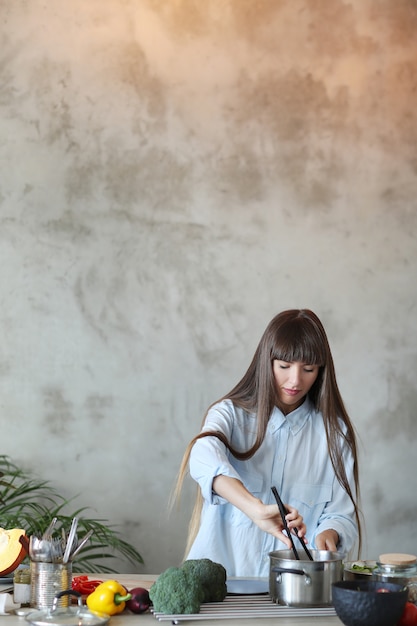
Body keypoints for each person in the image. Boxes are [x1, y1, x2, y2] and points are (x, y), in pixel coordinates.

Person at [173, 309, 362, 578]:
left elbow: (341, 515)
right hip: (216, 590)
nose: (296, 380)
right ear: (267, 362)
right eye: (284, 366)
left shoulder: (334, 435)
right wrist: (256, 509)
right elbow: (202, 455)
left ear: (321, 370)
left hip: (292, 590)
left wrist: (328, 536)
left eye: (308, 369)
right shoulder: (230, 414)